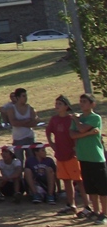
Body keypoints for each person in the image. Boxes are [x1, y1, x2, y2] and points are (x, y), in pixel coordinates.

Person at [71, 93, 107, 223]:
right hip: (83, 156)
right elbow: (72, 135)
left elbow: (80, 130)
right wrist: (89, 133)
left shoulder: (95, 118)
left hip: (96, 157)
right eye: (80, 101)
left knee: (102, 188)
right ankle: (95, 211)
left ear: (92, 104)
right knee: (90, 187)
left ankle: (105, 213)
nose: (81, 104)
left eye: (85, 101)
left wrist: (77, 122)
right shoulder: (79, 118)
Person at [46, 94, 84, 215]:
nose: (57, 106)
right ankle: (71, 204)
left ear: (66, 106)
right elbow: (48, 132)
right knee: (66, 180)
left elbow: (78, 134)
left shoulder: (72, 119)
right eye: (56, 103)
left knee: (79, 180)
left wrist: (76, 148)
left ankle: (87, 205)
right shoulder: (54, 119)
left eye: (60, 104)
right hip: (60, 154)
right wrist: (51, 144)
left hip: (72, 154)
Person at [6, 88, 39, 165]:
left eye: (26, 96)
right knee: (18, 163)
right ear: (17, 97)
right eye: (23, 96)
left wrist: (21, 123)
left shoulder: (30, 109)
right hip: (18, 139)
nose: (26, 98)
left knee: (32, 161)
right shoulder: (11, 109)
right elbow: (13, 123)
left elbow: (34, 123)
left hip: (29, 138)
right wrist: (26, 121)